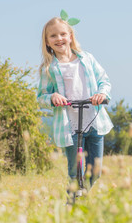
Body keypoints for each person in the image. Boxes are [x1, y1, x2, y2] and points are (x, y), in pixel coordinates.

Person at [37, 14, 113, 193]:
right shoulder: (48, 68)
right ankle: (73, 203)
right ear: (47, 41)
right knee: (75, 171)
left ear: (70, 36)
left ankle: (83, 193)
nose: (59, 39)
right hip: (68, 126)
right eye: (53, 36)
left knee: (95, 170)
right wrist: (52, 97)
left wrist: (101, 93)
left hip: (93, 120)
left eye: (63, 34)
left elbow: (104, 81)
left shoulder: (86, 58)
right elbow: (41, 95)